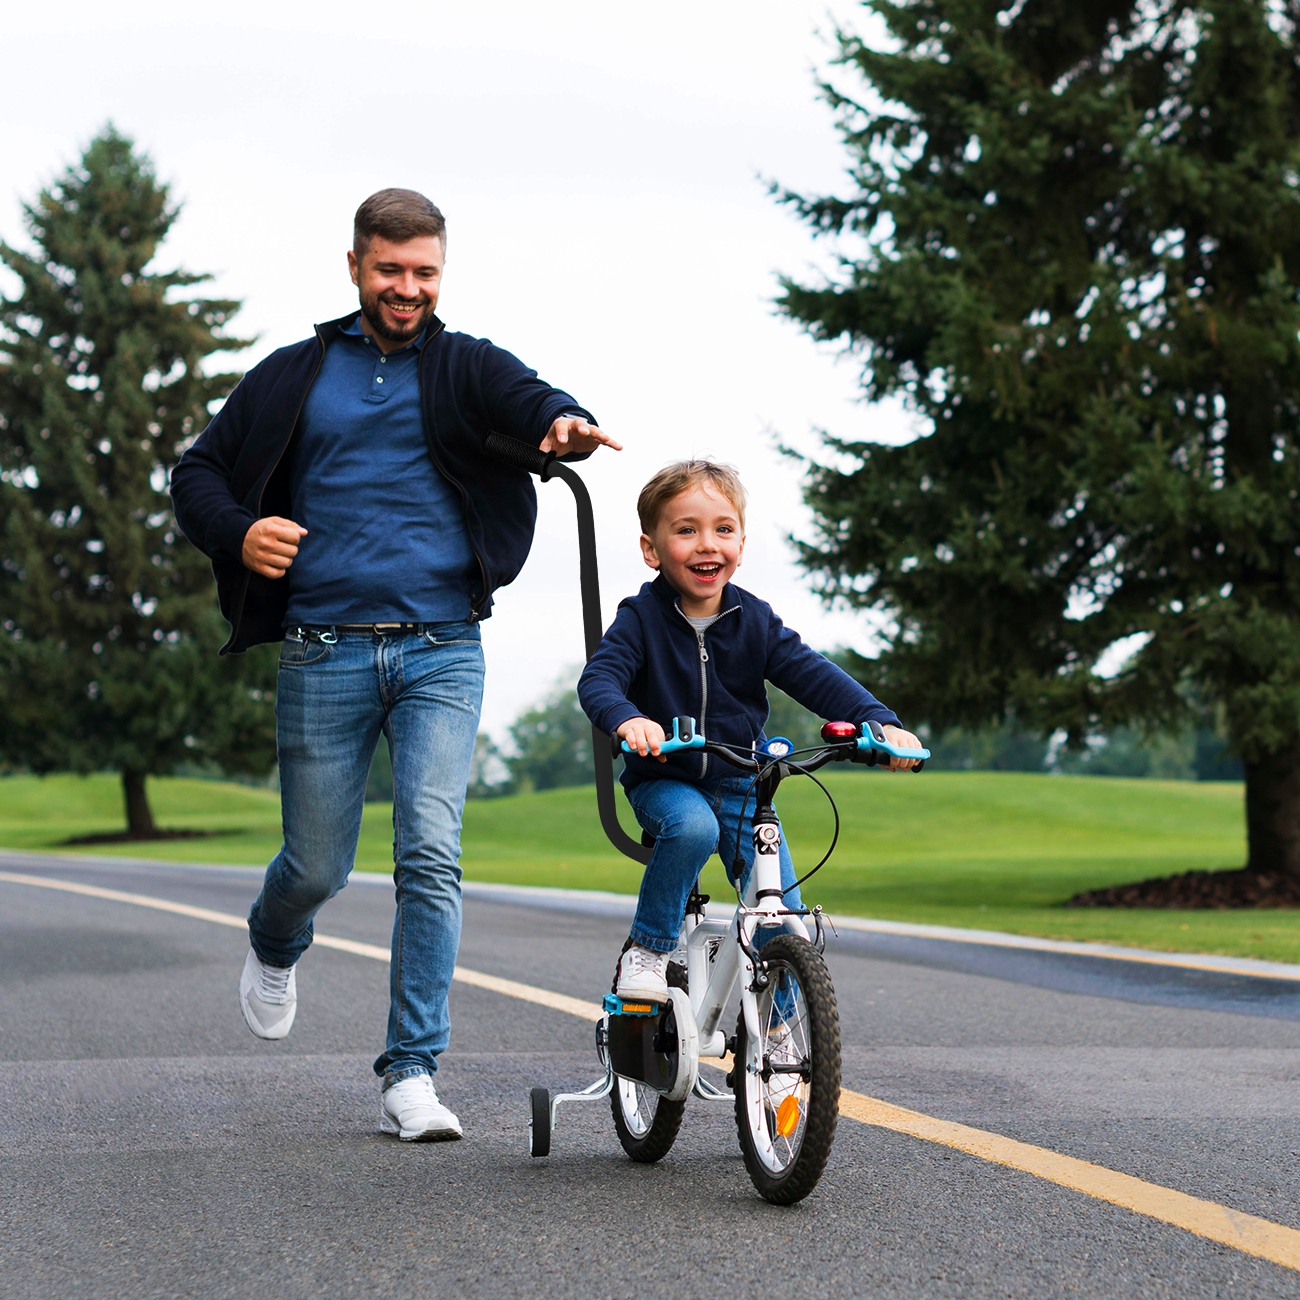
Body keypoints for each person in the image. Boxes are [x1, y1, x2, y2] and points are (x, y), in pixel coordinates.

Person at [170, 188, 619, 1141]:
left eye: (424, 272)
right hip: (323, 649)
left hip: (441, 649)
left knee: (430, 849)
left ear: (440, 272)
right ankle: (274, 938)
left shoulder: (463, 366)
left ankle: (411, 1071)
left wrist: (566, 423)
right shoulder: (295, 373)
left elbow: (533, 401)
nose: (406, 288)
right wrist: (240, 531)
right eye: (390, 270)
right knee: (317, 866)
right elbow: (197, 473)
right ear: (355, 267)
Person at [576, 460, 920, 1001]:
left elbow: (814, 675)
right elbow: (599, 681)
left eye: (723, 529)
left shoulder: (754, 620)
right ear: (652, 549)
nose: (707, 544)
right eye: (686, 530)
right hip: (666, 777)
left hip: (742, 780)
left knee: (782, 916)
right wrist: (628, 718)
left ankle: (782, 1042)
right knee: (692, 831)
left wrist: (880, 721)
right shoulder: (640, 619)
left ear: (741, 540)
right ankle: (648, 948)